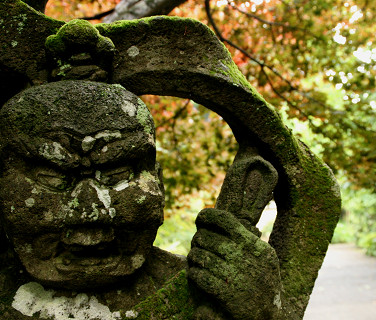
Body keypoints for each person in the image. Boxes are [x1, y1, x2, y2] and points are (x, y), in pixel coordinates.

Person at [0, 80, 284, 319]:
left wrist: (261, 309)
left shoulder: (193, 285)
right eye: (53, 179)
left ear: (157, 183)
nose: (90, 214)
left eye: (117, 175)